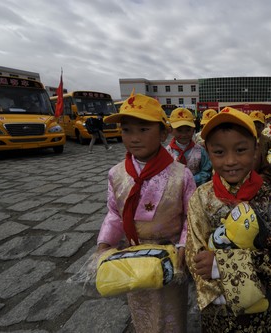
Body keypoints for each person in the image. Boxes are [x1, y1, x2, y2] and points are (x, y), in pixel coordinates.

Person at [185, 107, 271, 333]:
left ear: (256, 150)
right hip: (217, 311)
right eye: (219, 152)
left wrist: (221, 264)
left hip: (257, 311)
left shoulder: (270, 197)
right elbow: (195, 258)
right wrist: (215, 280)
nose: (231, 161)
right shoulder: (201, 198)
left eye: (241, 150)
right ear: (208, 152)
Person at [96, 94, 196, 332]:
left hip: (169, 254)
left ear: (163, 134)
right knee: (142, 308)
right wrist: (105, 242)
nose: (134, 138)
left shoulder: (181, 175)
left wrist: (184, 245)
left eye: (143, 129)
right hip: (133, 255)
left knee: (171, 311)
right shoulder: (116, 174)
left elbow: (191, 217)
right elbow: (114, 213)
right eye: (127, 130)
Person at [166, 107, 212, 187]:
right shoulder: (167, 152)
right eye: (179, 130)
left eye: (188, 130)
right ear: (171, 130)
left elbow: (206, 170)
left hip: (195, 189)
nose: (184, 135)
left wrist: (192, 179)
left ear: (193, 130)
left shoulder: (200, 151)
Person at [249, 110, 271, 184]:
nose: (256, 129)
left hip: (262, 178)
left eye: (258, 127)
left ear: (263, 126)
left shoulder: (267, 141)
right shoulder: (243, 139)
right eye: (253, 126)